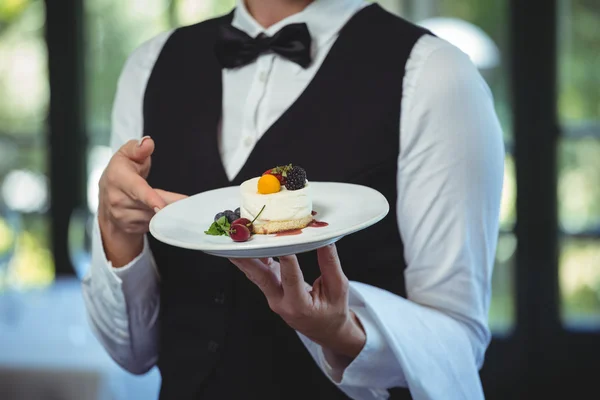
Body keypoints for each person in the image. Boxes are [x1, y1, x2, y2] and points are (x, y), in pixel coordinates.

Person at [82, 0, 505, 399]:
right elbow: (133, 356)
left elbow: (458, 345)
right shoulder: (150, 65)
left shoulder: (437, 75)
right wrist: (118, 232)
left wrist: (344, 331)